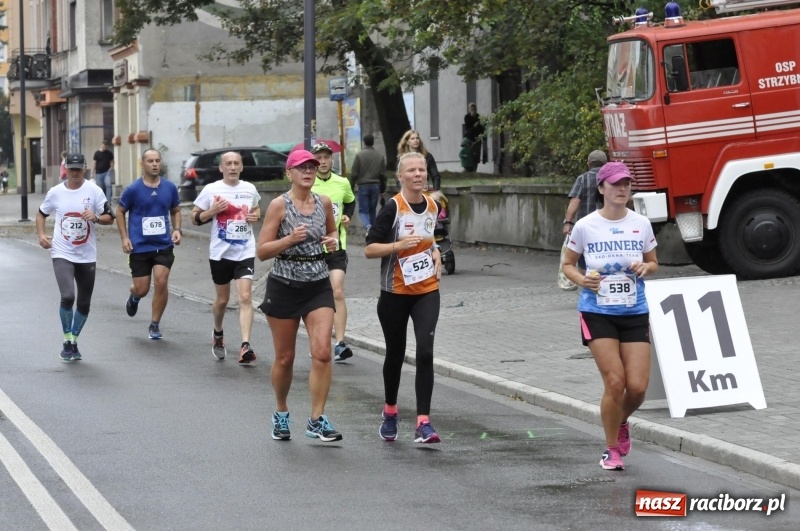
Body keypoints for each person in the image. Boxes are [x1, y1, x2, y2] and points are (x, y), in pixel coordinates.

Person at [560, 161, 658, 471]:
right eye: (615, 184)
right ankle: (611, 448)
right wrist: (582, 280)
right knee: (615, 383)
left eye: (626, 184)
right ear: (601, 188)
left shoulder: (641, 223)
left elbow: (653, 262)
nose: (621, 189)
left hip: (634, 310)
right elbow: (567, 264)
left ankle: (622, 419)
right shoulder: (586, 225)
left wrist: (646, 267)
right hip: (596, 311)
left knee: (639, 388)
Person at [256, 149, 343, 443]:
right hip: (284, 284)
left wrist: (332, 242)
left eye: (312, 167)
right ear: (289, 173)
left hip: (318, 283)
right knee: (285, 358)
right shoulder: (280, 206)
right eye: (302, 167)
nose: (308, 171)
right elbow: (262, 250)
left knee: (322, 352)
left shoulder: (325, 203)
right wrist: (289, 239)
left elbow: (332, 237)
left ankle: (317, 419)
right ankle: (281, 412)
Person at [365, 151, 444, 444]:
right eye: (411, 170)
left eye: (421, 169)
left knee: (425, 351)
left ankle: (423, 421)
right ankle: (390, 411)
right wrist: (397, 245)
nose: (418, 175)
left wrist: (435, 252)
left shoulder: (433, 206)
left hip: (426, 290)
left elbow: (432, 238)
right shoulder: (392, 208)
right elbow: (369, 249)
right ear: (400, 176)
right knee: (395, 354)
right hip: (394, 293)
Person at [35, 153, 115, 361]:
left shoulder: (94, 191)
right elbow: (41, 214)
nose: (75, 172)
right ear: (66, 169)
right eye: (72, 169)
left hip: (87, 255)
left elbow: (110, 217)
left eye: (79, 169)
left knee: (84, 303)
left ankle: (74, 342)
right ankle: (66, 339)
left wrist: (96, 217)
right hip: (62, 252)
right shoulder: (56, 192)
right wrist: (42, 234)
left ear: (85, 169)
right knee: (68, 296)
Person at [191, 151, 261, 364]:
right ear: (221, 168)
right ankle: (218, 333)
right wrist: (211, 211)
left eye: (236, 163)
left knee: (245, 297)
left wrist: (255, 215)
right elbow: (194, 218)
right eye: (228, 164)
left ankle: (245, 345)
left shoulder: (249, 189)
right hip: (220, 253)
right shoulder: (211, 189)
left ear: (241, 167)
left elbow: (257, 209)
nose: (232, 167)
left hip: (245, 252)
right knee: (222, 300)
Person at [116, 148, 182, 340]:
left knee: (161, 281)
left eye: (157, 161)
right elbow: (120, 212)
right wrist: (125, 237)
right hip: (139, 246)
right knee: (142, 288)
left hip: (163, 245)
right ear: (142, 164)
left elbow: (176, 210)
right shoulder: (133, 189)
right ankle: (134, 296)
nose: (154, 164)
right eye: (150, 161)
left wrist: (177, 229)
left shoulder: (169, 187)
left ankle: (154, 324)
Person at [311, 142, 357, 362]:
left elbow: (350, 201)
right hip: (311, 248)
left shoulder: (343, 182)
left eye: (326, 157)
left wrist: (347, 216)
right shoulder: (308, 184)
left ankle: (340, 343)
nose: (322, 161)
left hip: (336, 246)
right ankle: (318, 337)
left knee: (337, 290)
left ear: (332, 159)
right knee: (315, 294)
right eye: (318, 157)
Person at [564, 150, 607, 270]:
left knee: (584, 256)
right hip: (607, 225)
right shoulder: (611, 178)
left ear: (589, 164)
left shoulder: (583, 178)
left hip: (587, 227)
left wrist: (568, 222)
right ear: (606, 163)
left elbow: (575, 201)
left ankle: (586, 282)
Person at [348, 133, 386, 232]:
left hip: (363, 186)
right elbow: (383, 174)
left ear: (364, 142)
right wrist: (383, 189)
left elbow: (354, 174)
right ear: (373, 142)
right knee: (372, 210)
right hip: (376, 186)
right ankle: (372, 232)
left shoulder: (359, 155)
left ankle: (368, 226)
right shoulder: (380, 156)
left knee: (363, 211)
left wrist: (350, 188)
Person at [461, 103, 485, 172]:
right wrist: (472, 117)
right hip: (469, 138)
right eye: (471, 109)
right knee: (469, 154)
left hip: (477, 138)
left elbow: (480, 127)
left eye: (474, 109)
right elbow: (468, 127)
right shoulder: (467, 117)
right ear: (469, 109)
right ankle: (468, 169)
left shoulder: (478, 116)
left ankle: (475, 169)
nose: (473, 110)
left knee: (476, 154)